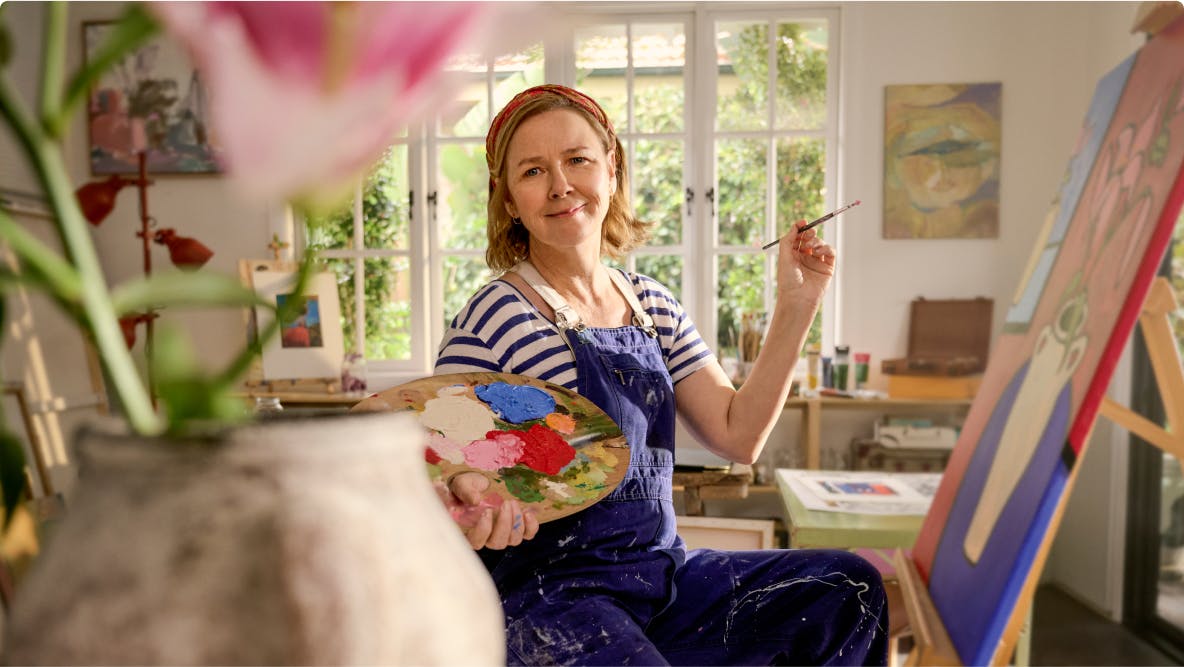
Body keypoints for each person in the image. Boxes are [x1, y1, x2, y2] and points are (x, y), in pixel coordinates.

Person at [435, 84, 888, 666]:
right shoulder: (493, 316)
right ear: (508, 199)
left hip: (662, 580)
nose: (560, 185)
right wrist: (468, 501)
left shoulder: (652, 304)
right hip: (552, 599)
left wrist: (798, 303)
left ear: (612, 170)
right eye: (532, 171)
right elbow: (438, 461)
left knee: (847, 589)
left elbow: (738, 435)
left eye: (578, 160)